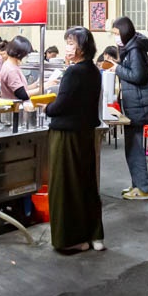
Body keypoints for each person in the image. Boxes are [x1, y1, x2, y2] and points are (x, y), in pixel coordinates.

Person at [44, 27, 105, 253]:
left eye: (71, 44)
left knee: (65, 187)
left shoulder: (73, 72)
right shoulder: (93, 70)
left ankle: (72, 240)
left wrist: (45, 107)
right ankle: (95, 235)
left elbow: (62, 105)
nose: (67, 48)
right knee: (86, 184)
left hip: (67, 136)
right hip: (86, 133)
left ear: (81, 48)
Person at [109, 16, 148, 201]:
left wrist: (117, 69)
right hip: (134, 104)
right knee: (131, 147)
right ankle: (137, 185)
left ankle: (143, 188)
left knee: (135, 148)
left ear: (125, 31)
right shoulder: (131, 47)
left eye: (116, 32)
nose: (115, 37)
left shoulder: (135, 49)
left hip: (138, 106)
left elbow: (138, 75)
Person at [0, 36, 36, 101]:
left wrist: (38, 85)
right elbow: (22, 95)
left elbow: (21, 88)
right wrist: (42, 89)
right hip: (14, 108)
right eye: (26, 54)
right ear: (21, 53)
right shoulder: (11, 70)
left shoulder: (11, 65)